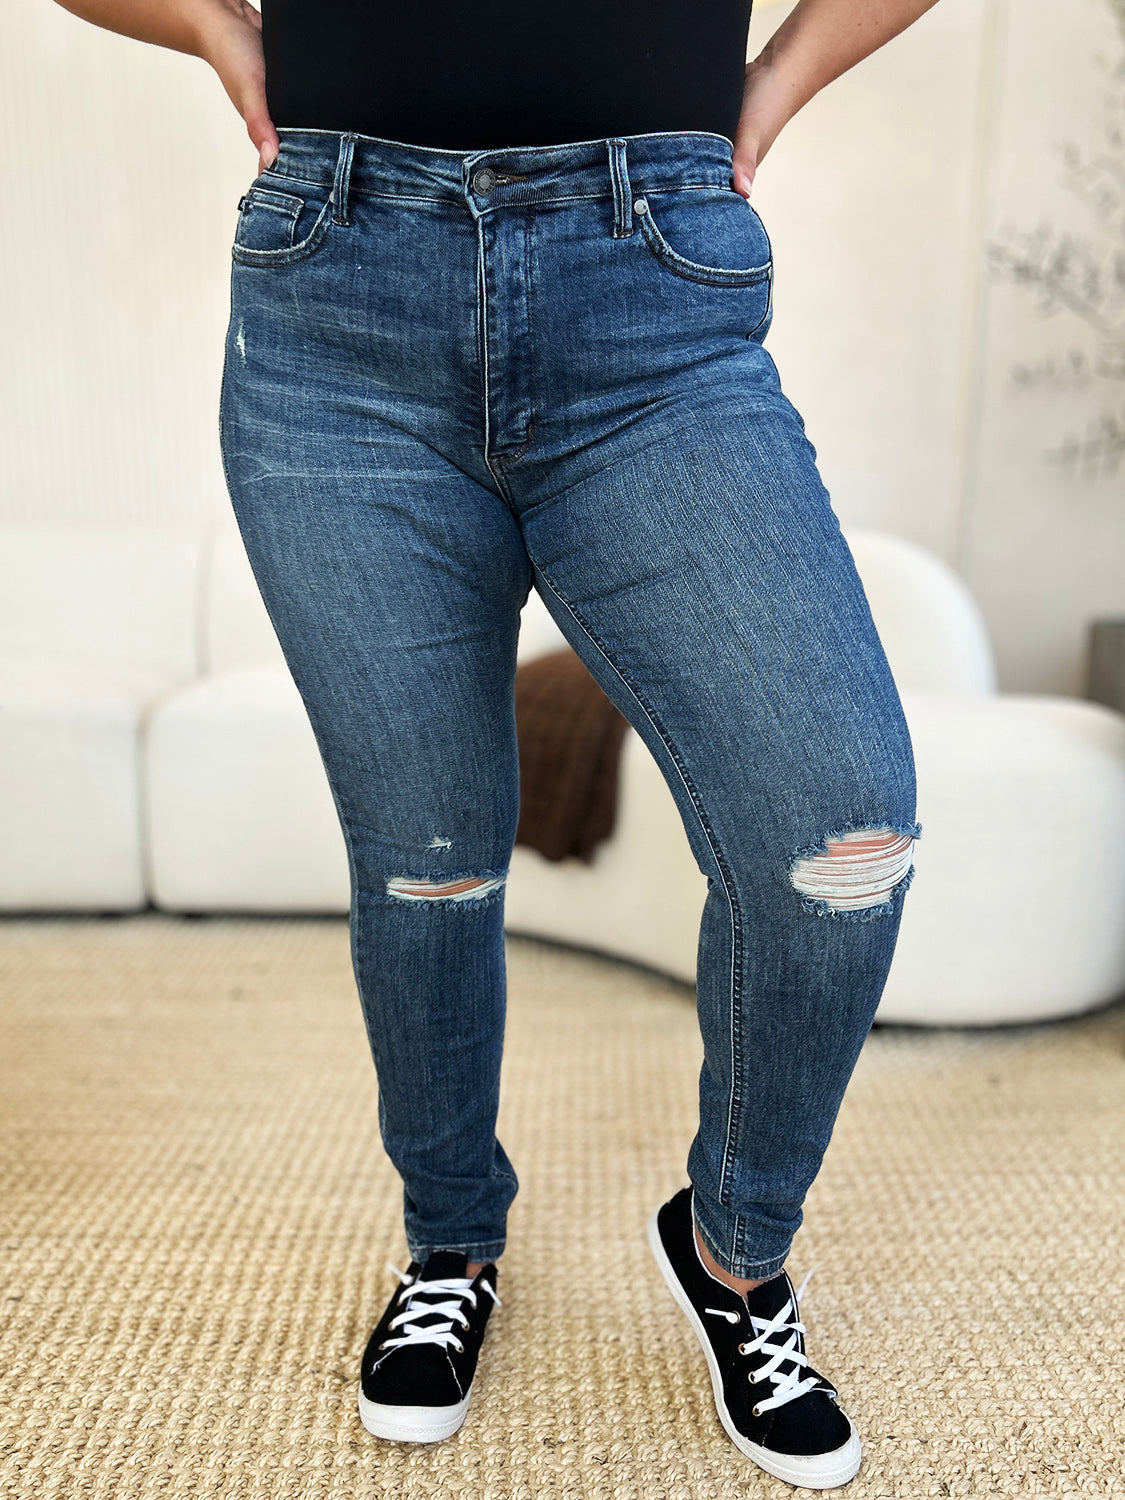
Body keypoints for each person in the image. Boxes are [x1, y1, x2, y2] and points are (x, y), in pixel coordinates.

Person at [56, 0, 938, 1489]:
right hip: (339, 309)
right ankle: (450, 1236)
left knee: (835, 834)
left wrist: (772, 82)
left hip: (653, 302)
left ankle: (733, 1251)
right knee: (425, 865)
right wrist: (213, 27)